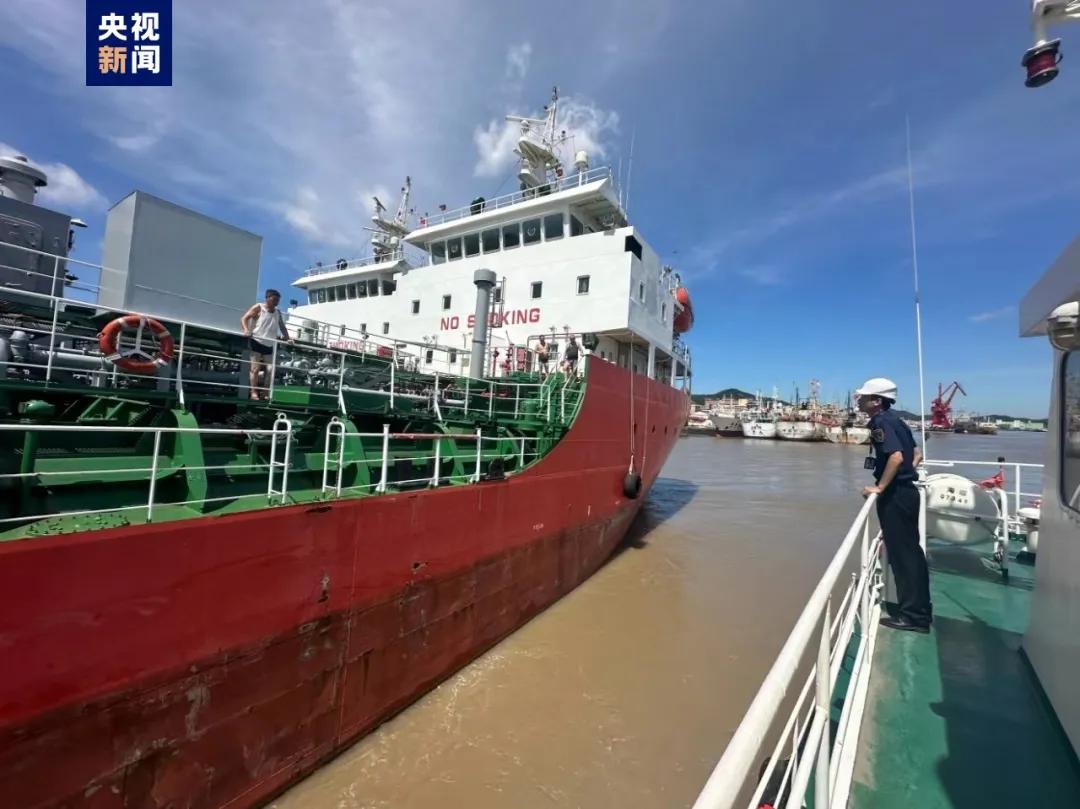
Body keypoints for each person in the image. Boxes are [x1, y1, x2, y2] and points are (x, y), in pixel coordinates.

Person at [856, 377, 932, 633]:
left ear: (876, 401)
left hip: (897, 496)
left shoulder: (880, 422)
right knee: (911, 554)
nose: (859, 400)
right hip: (907, 492)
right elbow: (916, 454)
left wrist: (881, 487)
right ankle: (920, 611)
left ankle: (913, 617)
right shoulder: (897, 421)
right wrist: (905, 476)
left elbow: (897, 457)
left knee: (903, 556)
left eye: (864, 397)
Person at [241, 289, 292, 400]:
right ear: (267, 298)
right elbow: (244, 318)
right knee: (255, 369)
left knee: (270, 370)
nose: (276, 302)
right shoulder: (259, 307)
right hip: (256, 341)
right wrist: (246, 330)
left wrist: (288, 338)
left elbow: (282, 326)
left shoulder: (278, 312)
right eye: (274, 300)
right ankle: (254, 392)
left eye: (278, 300)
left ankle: (264, 392)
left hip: (269, 344)